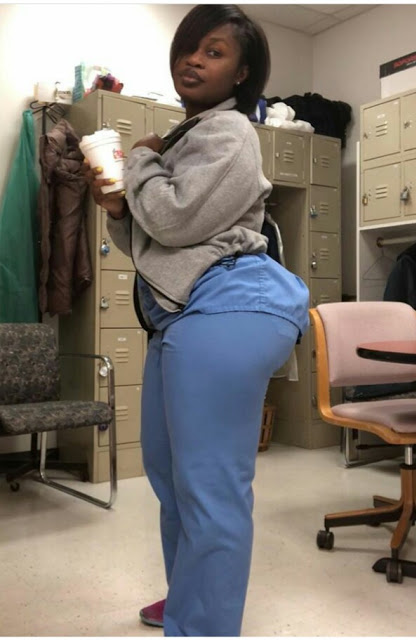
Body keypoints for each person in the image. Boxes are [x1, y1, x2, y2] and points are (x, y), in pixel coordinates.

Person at [83, 4, 309, 636]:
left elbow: (174, 219)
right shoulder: (190, 136)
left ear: (242, 74)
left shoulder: (229, 131)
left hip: (231, 302)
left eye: (214, 52)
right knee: (170, 473)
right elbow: (157, 242)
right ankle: (190, 597)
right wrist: (121, 211)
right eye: (188, 48)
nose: (193, 59)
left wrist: (139, 162)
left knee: (209, 484)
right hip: (185, 313)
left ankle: (203, 625)